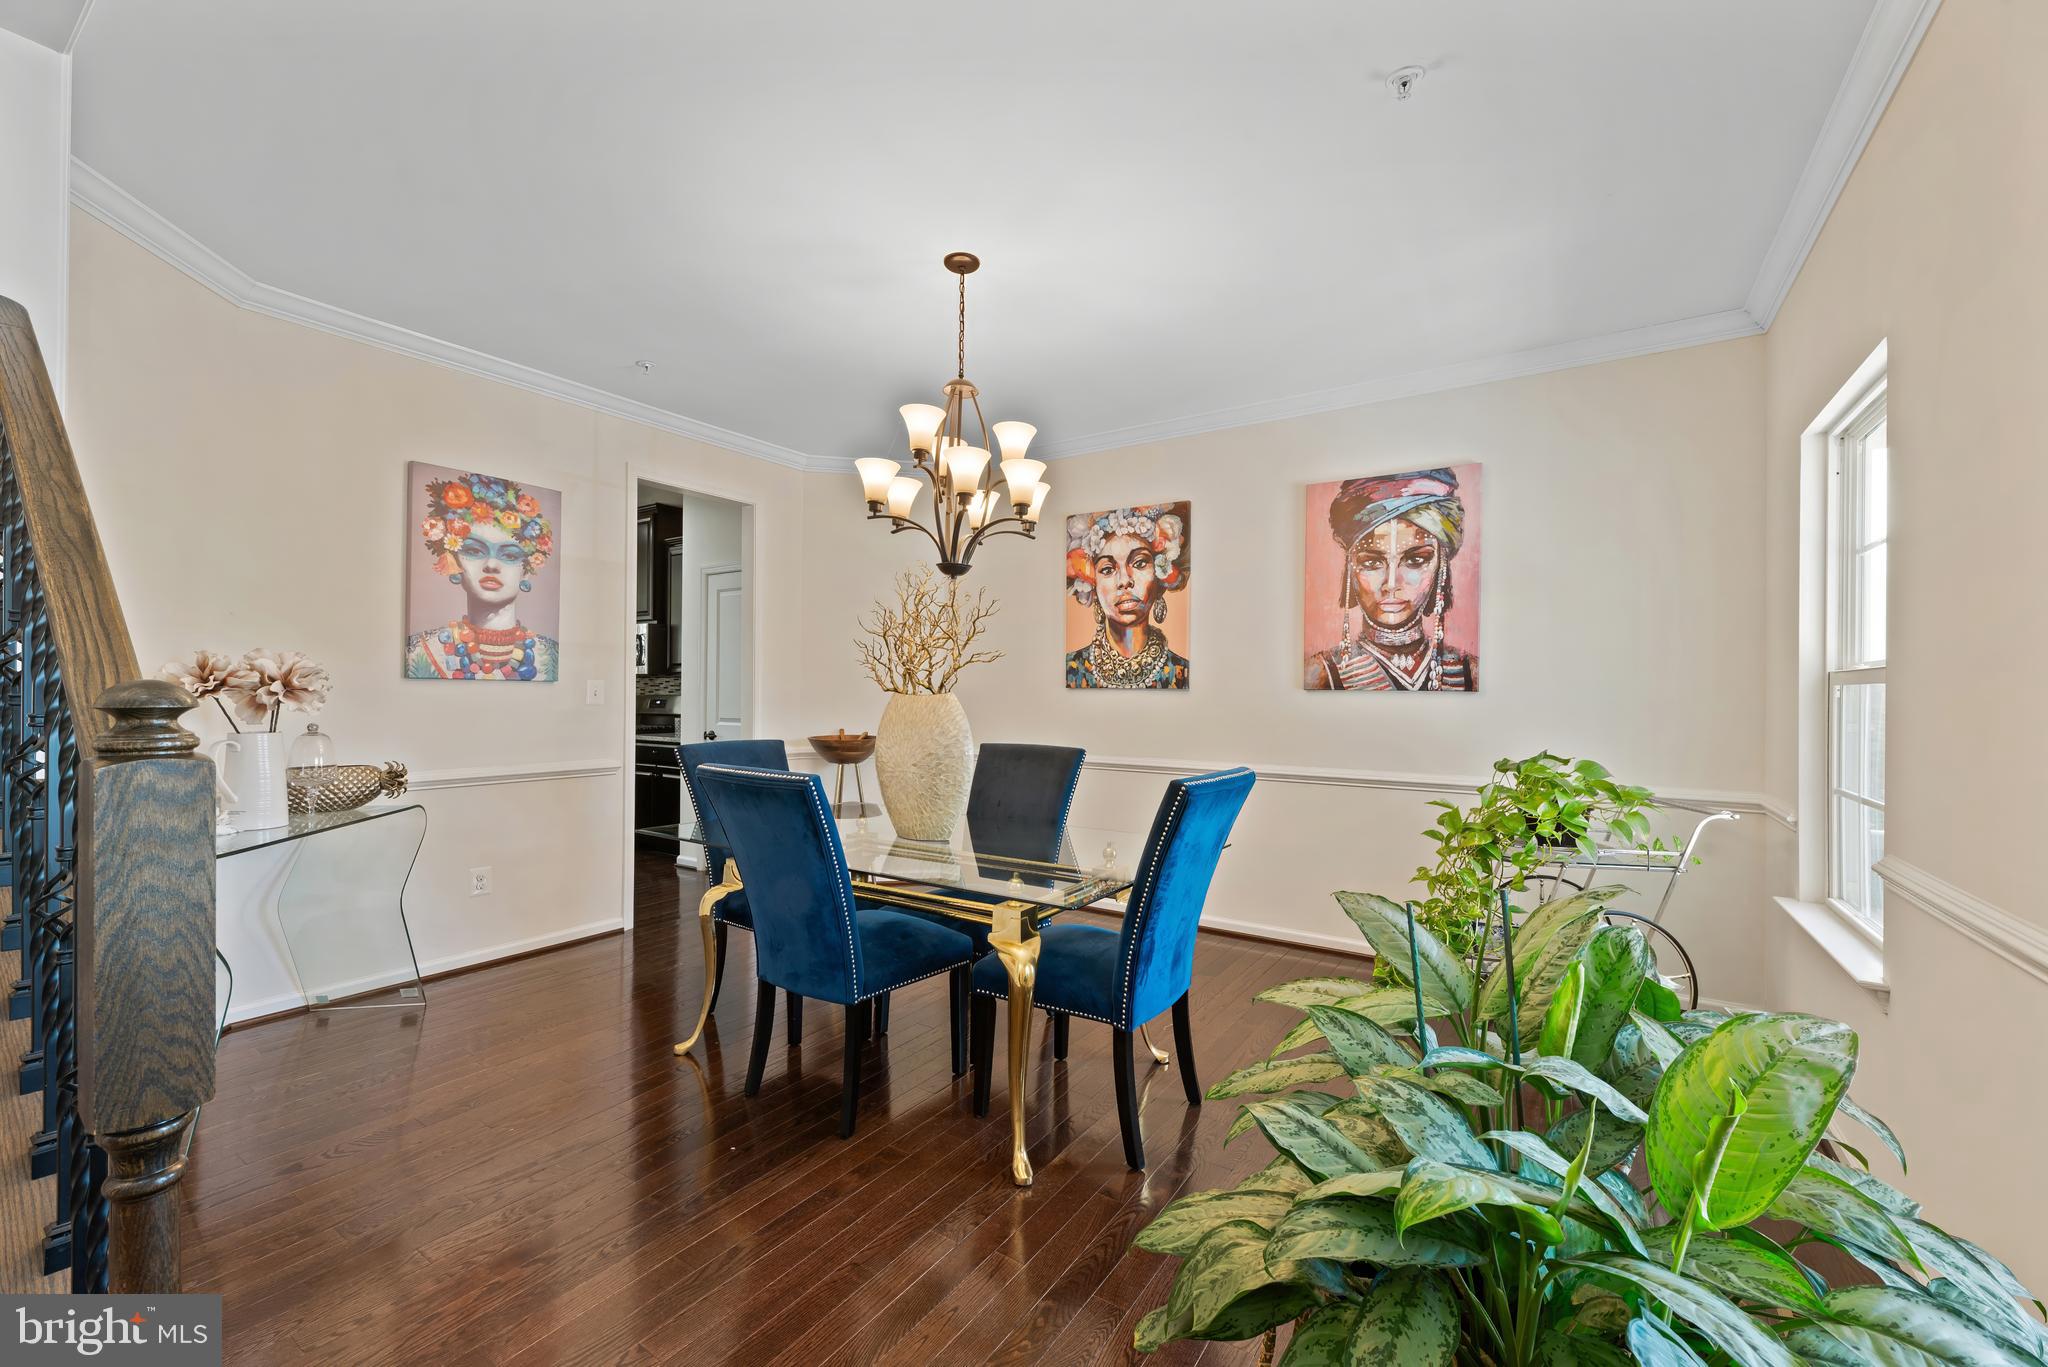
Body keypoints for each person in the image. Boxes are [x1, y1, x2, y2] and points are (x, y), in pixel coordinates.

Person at [1306, 468, 1476, 691]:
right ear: (1351, 568)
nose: (1392, 584)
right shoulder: (1319, 674)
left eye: (1415, 560)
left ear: (1441, 566)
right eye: (1371, 563)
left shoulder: (1471, 672)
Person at [406, 472, 559, 680]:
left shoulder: (551, 655)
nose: (491, 565)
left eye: (509, 555)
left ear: (526, 572)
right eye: (474, 551)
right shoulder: (420, 652)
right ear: (455, 562)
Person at [1065, 504, 1191, 689]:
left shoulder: (1182, 673)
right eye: (1107, 569)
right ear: (1093, 584)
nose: (1124, 581)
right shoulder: (1070, 670)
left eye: (1139, 563)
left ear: (1159, 575)